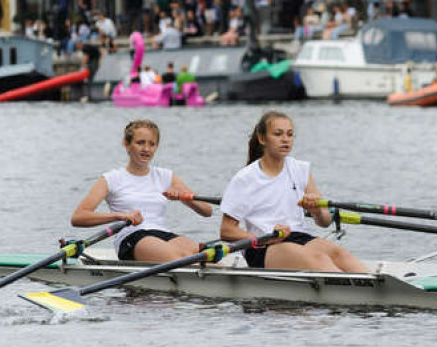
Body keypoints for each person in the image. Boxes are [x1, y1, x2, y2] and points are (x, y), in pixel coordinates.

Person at [218, 111, 370, 273]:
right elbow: (226, 230)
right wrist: (267, 238)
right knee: (319, 259)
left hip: (299, 236)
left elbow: (325, 222)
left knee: (340, 254)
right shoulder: (245, 178)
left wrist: (316, 209)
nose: (285, 139)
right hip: (263, 246)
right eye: (278, 134)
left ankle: (373, 288)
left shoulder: (300, 169)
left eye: (290, 135)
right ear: (262, 139)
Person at [71, 120, 213, 262]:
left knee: (203, 257)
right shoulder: (111, 179)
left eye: (152, 144)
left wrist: (185, 198)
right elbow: (78, 217)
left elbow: (207, 211)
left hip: (164, 234)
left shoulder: (166, 176)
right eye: (140, 143)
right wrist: (119, 216)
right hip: (132, 237)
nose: (146, 149)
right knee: (182, 260)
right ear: (126, 145)